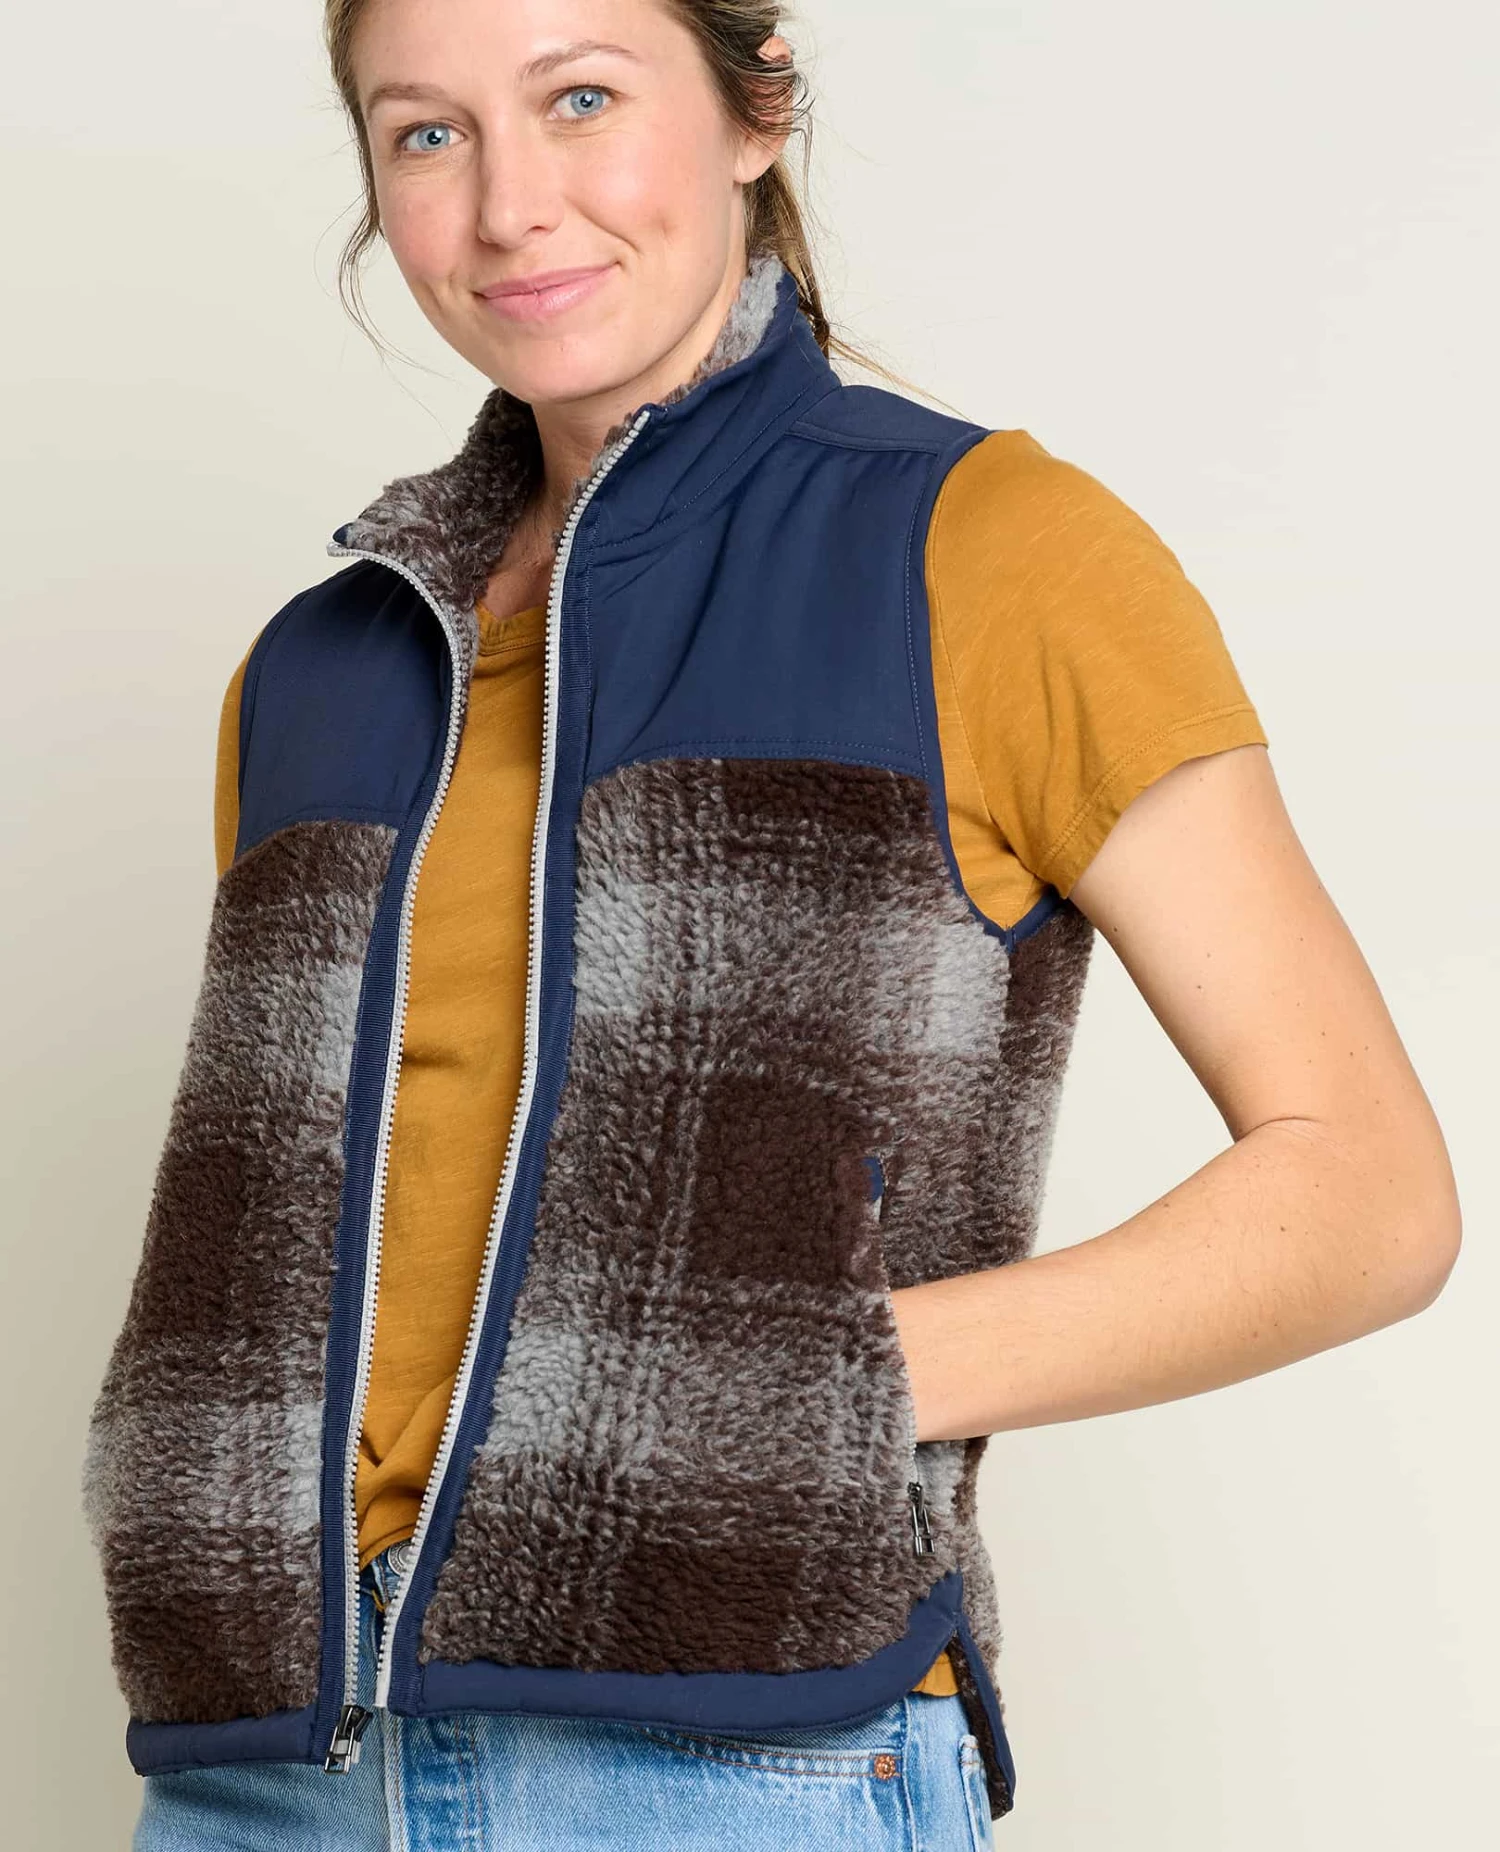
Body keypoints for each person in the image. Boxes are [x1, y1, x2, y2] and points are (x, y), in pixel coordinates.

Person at [82, 2, 1462, 1847]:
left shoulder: (984, 549)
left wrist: (818, 1379)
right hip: (261, 1768)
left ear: (757, 109)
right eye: (427, 133)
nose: (509, 204)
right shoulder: (324, 666)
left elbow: (1368, 1192)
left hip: (740, 1762)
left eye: (582, 98)